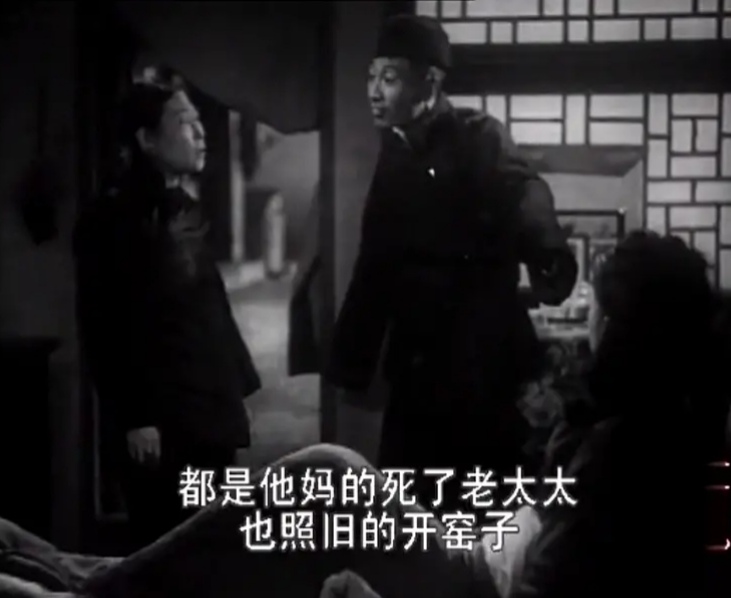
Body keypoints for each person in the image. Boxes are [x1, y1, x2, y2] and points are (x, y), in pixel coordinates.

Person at [40, 231, 706, 598]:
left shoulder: (631, 448)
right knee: (306, 506)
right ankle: (98, 577)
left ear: (622, 325)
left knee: (326, 478)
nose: (586, 318)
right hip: (476, 553)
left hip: (471, 580)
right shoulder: (639, 418)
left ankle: (95, 580)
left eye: (597, 307)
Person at [325, 14, 578, 511]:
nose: (374, 91)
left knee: (484, 507)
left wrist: (548, 253)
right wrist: (350, 362)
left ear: (430, 82)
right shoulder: (394, 153)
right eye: (371, 76)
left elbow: (525, 191)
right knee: (411, 511)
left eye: (390, 78)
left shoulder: (478, 134)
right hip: (417, 362)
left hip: (481, 356)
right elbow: (375, 262)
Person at [73, 80, 262, 548]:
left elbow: (210, 307)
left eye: (199, 122)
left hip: (209, 408)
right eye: (183, 123)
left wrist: (235, 386)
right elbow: (103, 324)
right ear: (147, 140)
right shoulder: (111, 219)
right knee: (166, 548)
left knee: (215, 541)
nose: (200, 133)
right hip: (161, 419)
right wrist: (134, 417)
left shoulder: (186, 209)